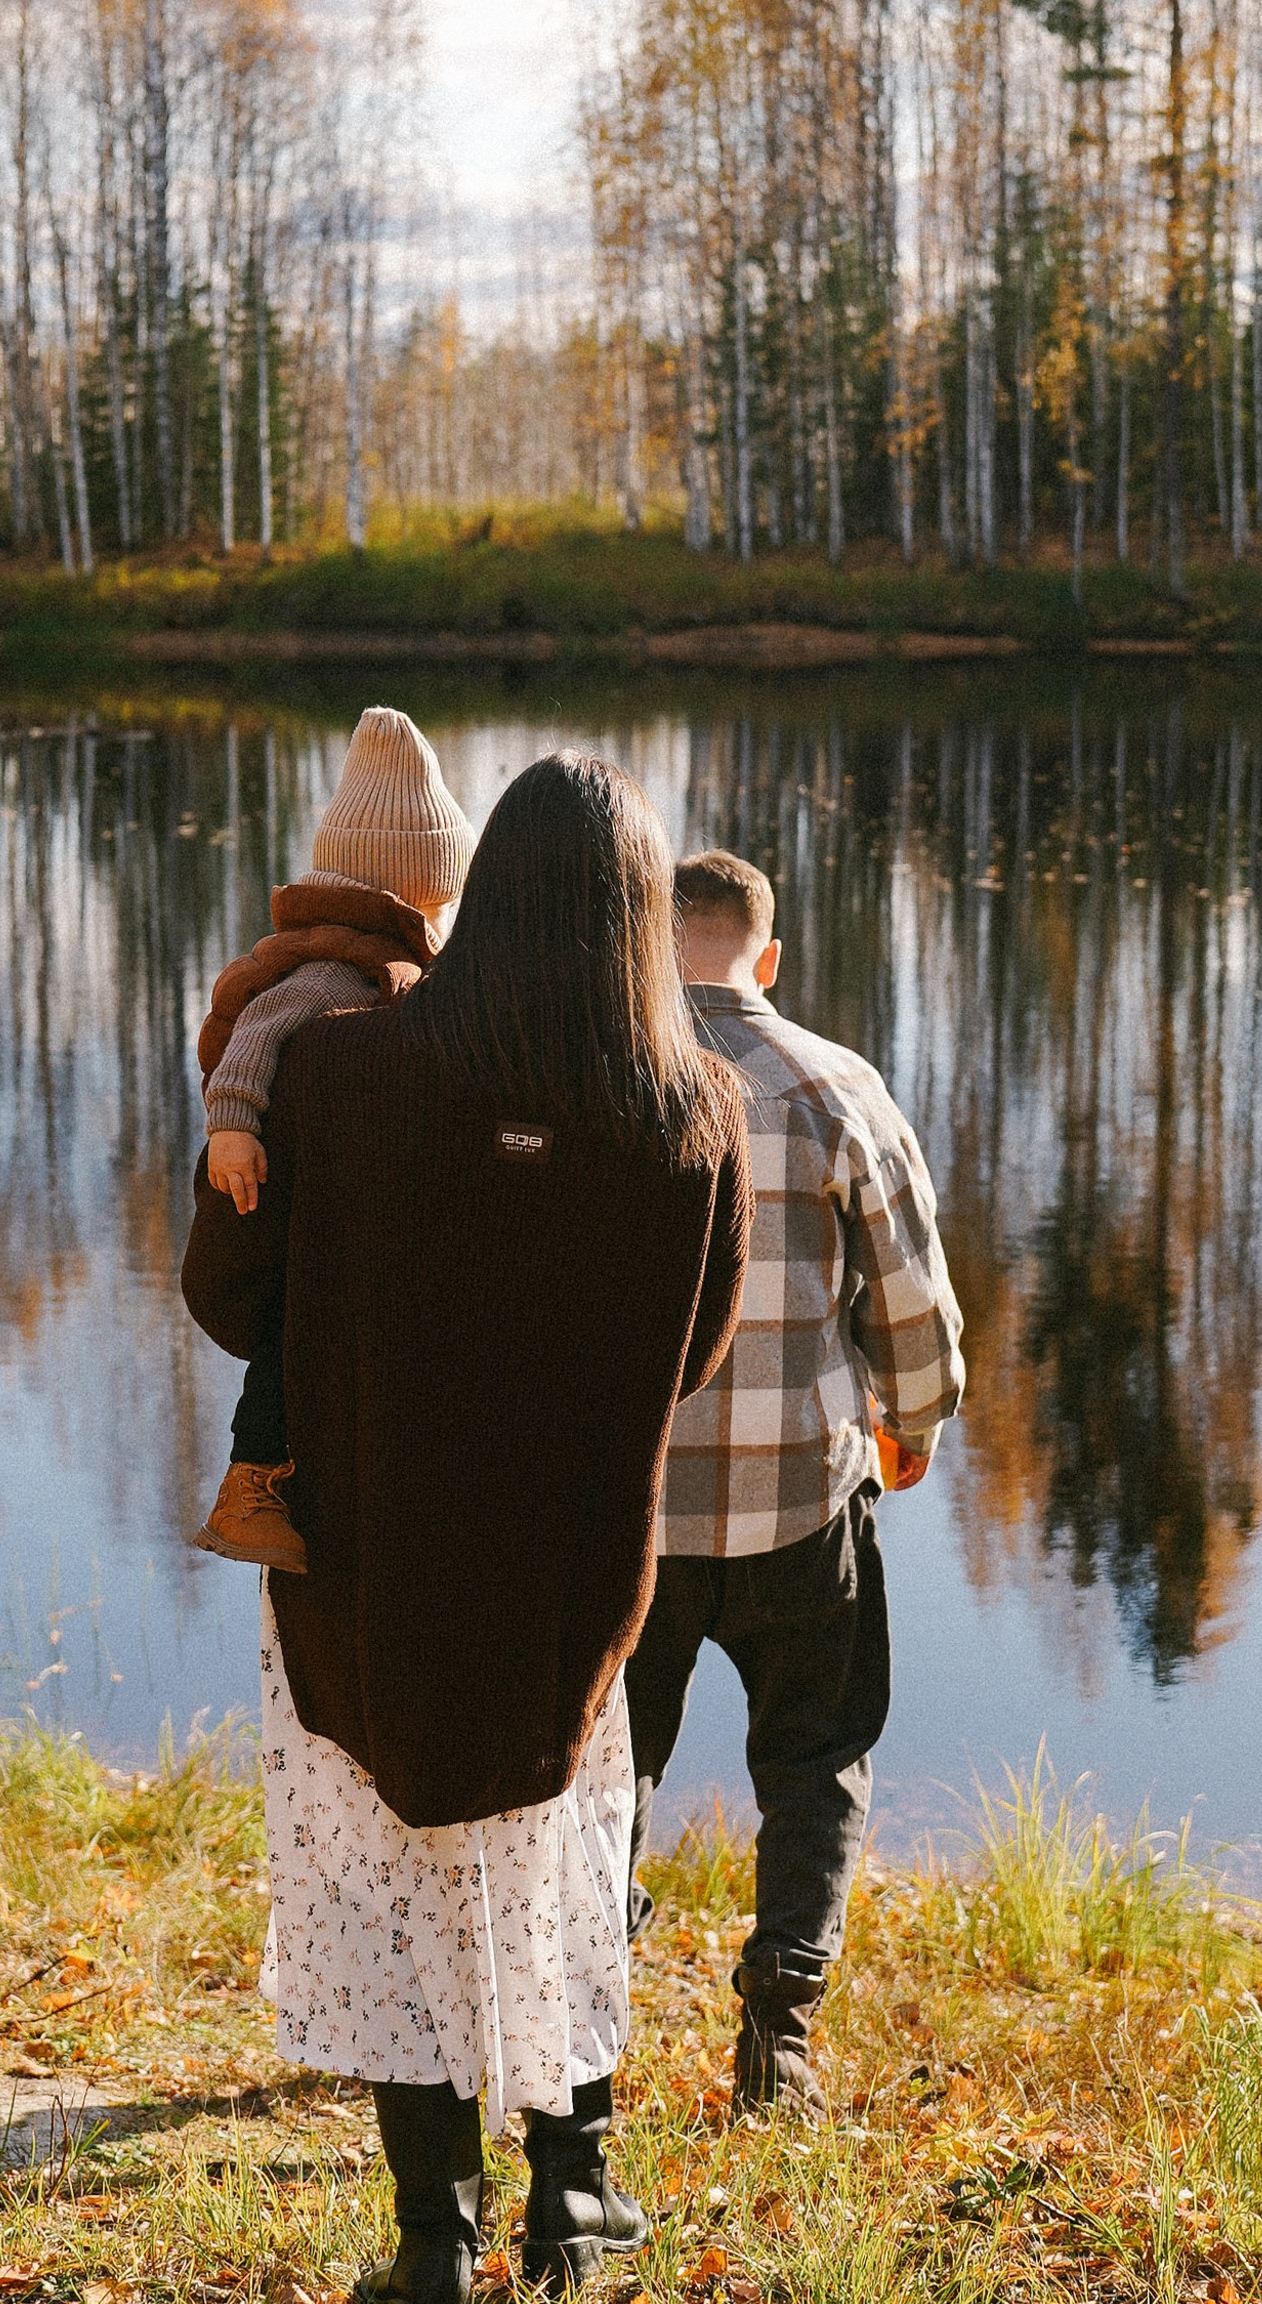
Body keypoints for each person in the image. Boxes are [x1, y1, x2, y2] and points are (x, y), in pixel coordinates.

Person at [182, 755, 753, 2303]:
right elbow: (693, 1350)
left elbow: (228, 1300)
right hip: (569, 1578)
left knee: (387, 1876)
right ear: (642, 921)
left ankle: (432, 2239)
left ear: (480, 891)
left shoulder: (341, 1071)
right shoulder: (697, 1114)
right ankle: (573, 2201)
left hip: (368, 1568)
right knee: (556, 1858)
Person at [623, 848, 966, 2114]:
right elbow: (913, 1298)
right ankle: (779, 2039)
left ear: (652, 952)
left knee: (612, 1769)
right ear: (766, 961)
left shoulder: (607, 1081)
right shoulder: (838, 1085)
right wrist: (914, 1418)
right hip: (801, 1504)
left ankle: (585, 2013)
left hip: (633, 1518)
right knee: (815, 1759)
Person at [190, 706, 475, 1574]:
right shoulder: (326, 970)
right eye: (439, 888)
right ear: (410, 884)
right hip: (280, 1181)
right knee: (290, 1324)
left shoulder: (376, 966)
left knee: (304, 1322)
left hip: (327, 1182)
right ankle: (249, 1485)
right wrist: (232, 1127)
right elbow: (254, 1039)